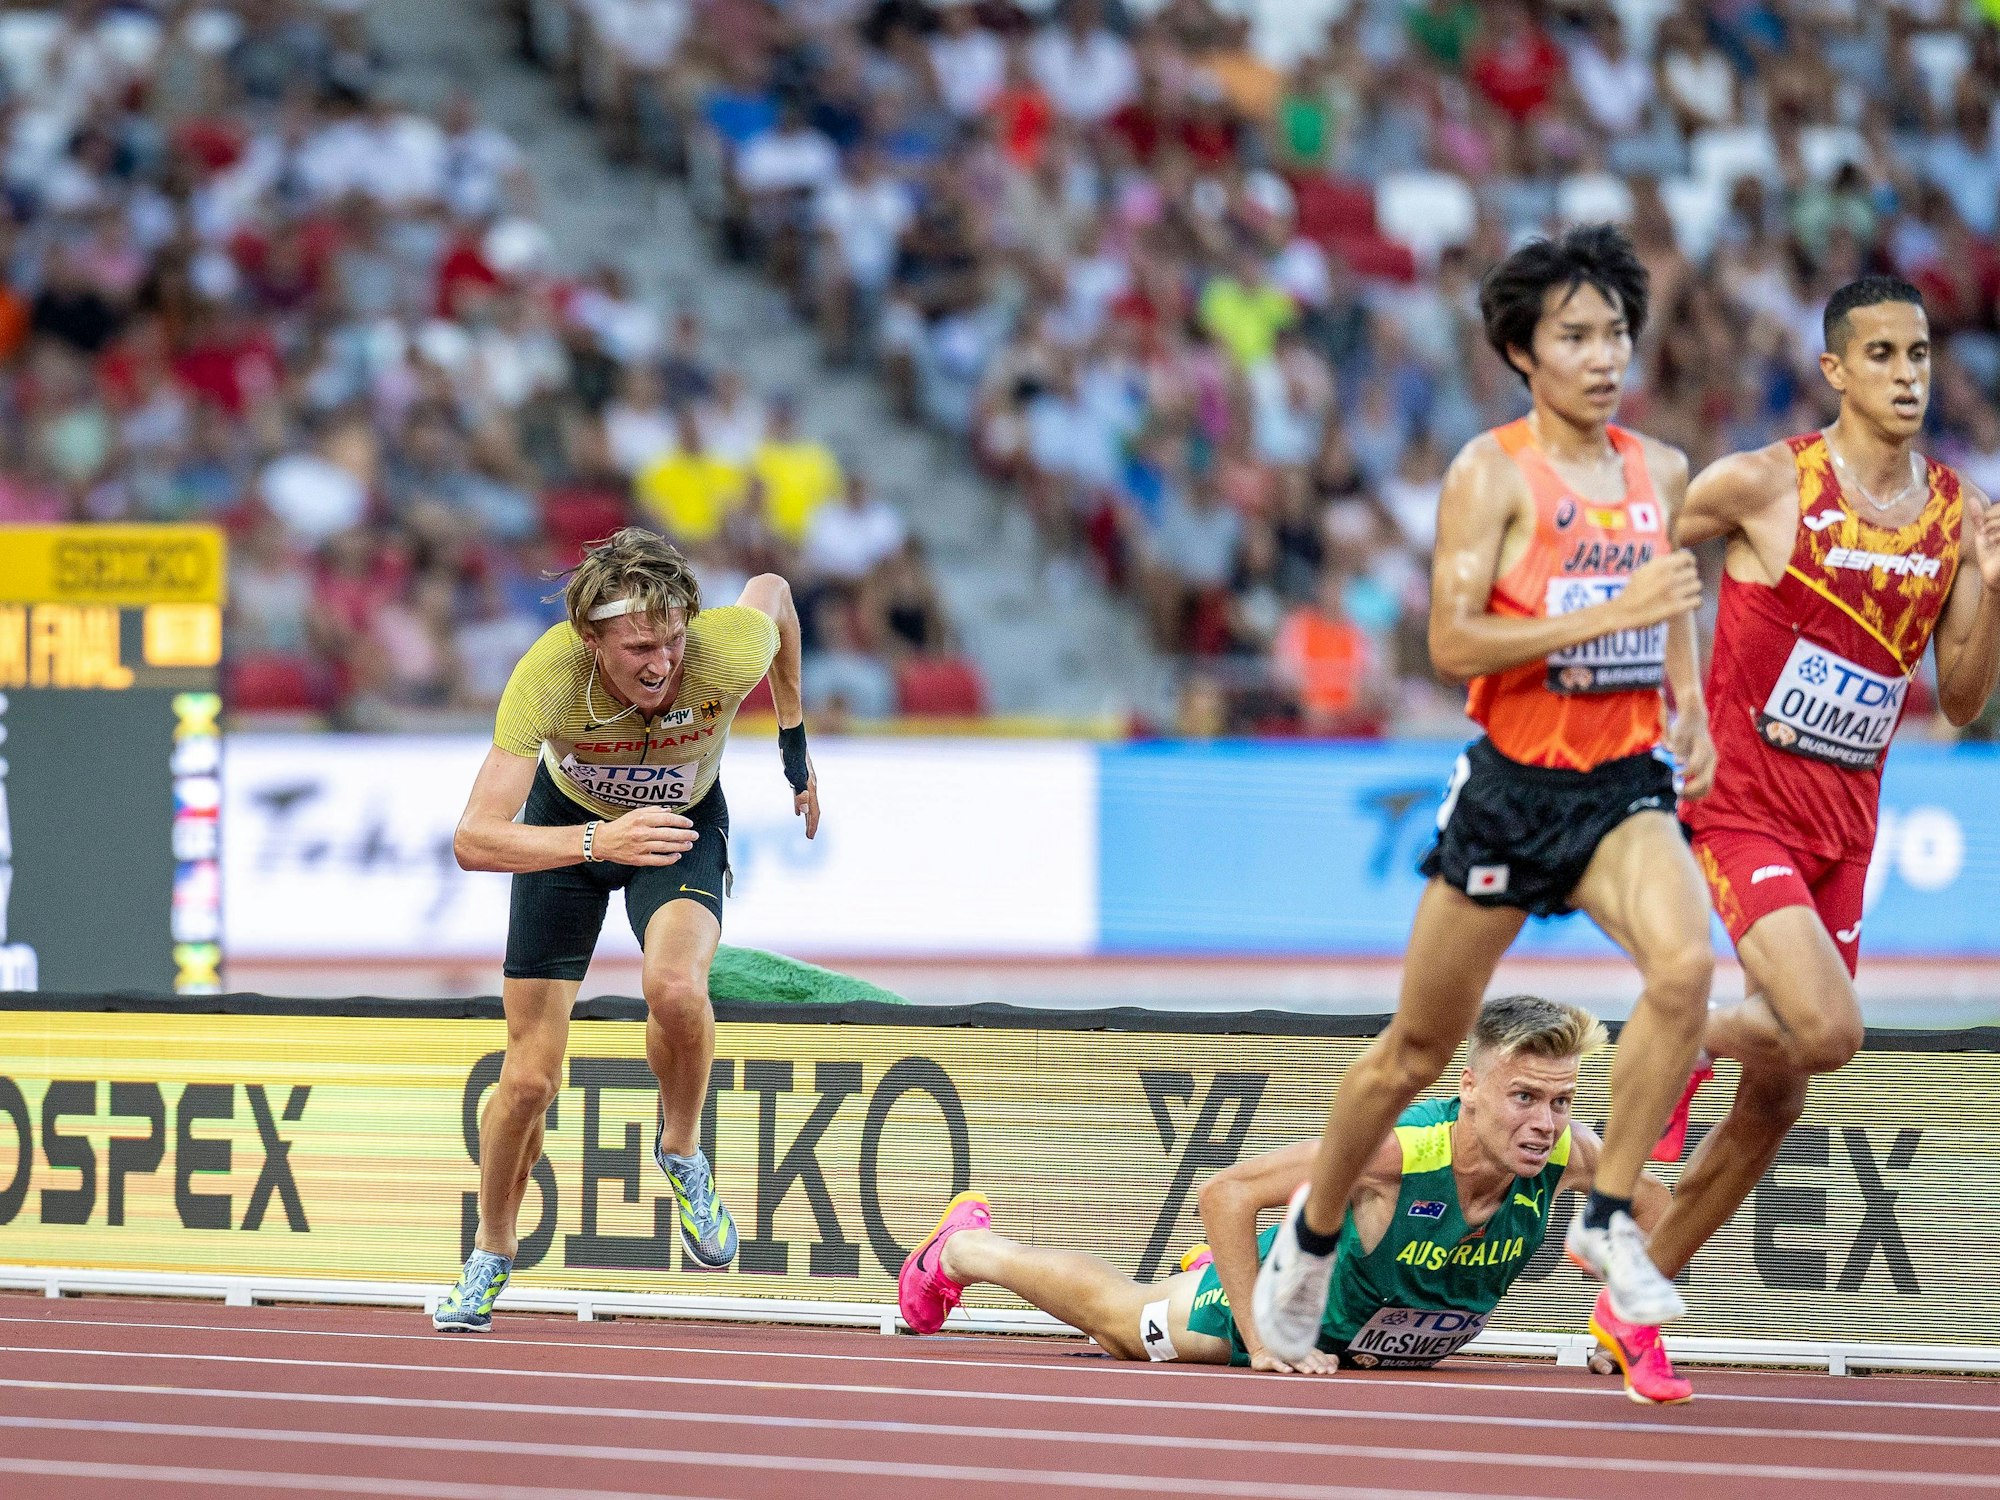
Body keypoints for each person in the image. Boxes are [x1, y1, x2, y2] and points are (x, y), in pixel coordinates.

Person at [1252, 226, 1715, 1369]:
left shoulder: (1659, 470)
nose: (1601, 356)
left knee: (1683, 969)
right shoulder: (1490, 471)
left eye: (1614, 332)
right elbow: (1452, 642)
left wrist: (1690, 706)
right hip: (1511, 789)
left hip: (1620, 781)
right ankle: (1309, 1238)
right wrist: (1604, 614)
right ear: (1520, 351)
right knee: (1414, 1049)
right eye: (1574, 336)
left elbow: (1669, 599)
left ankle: (1606, 1217)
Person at [1645, 277, 2000, 1279]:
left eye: (1918, 354)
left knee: (1779, 1094)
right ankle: (1680, 1031)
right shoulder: (1765, 483)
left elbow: (1961, 700)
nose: (1905, 375)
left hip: (1845, 832)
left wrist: (1993, 590)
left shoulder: (1957, 517)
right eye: (1881, 355)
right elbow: (1650, 545)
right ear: (1834, 370)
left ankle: (1633, 1296)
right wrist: (1680, 695)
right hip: (1740, 810)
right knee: (1829, 1028)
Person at [898, 995, 1689, 1402]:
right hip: (1297, 1317)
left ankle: (1213, 1270)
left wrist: (1626, 1322)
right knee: (1123, 1326)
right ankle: (963, 1249)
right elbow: (1226, 1191)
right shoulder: (1396, 1152)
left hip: (1373, 1348)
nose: (1544, 1123)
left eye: (1560, 1100)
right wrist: (1262, 1336)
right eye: (1524, 1097)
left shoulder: (1569, 1154)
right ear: (1470, 1089)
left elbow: (1659, 1212)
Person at [432, 527, 820, 1331]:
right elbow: (473, 838)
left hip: (680, 827)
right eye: (640, 647)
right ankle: (492, 1249)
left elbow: (777, 596)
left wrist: (793, 742)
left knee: (675, 987)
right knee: (528, 1080)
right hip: (569, 832)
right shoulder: (548, 674)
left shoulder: (724, 648)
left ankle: (681, 1149)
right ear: (591, 638)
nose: (661, 664)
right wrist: (596, 841)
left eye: (673, 641)